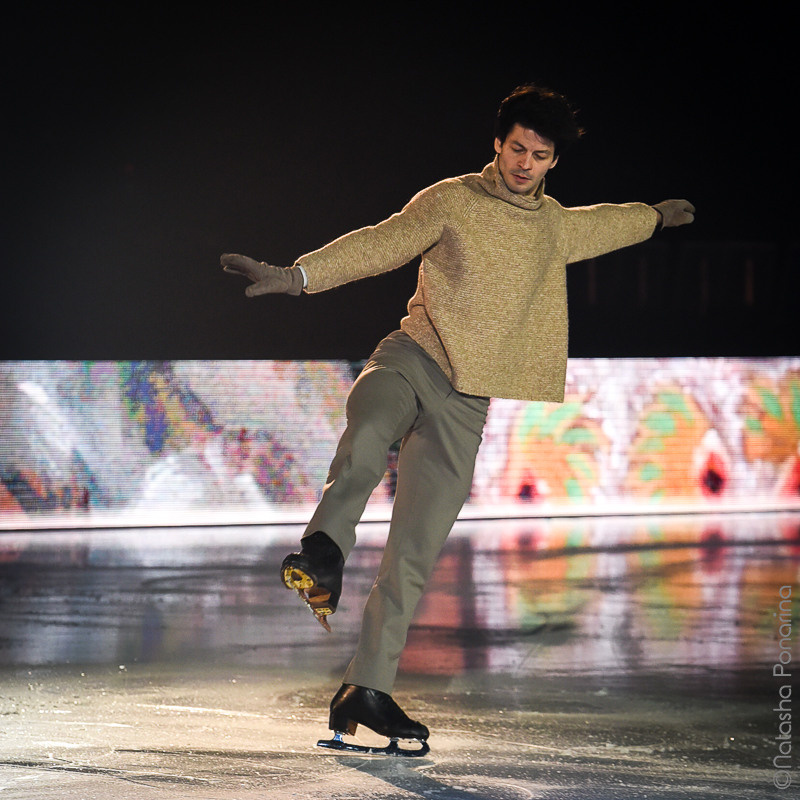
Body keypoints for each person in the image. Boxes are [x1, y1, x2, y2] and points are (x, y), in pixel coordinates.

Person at [221, 84, 695, 754]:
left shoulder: (554, 225)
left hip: (467, 402)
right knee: (367, 432)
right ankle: (322, 553)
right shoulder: (452, 201)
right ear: (497, 144)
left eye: (540, 154)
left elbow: (605, 223)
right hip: (413, 358)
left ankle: (369, 687)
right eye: (517, 148)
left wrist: (653, 215)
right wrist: (299, 276)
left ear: (554, 160)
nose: (525, 163)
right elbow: (382, 242)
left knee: (415, 551)